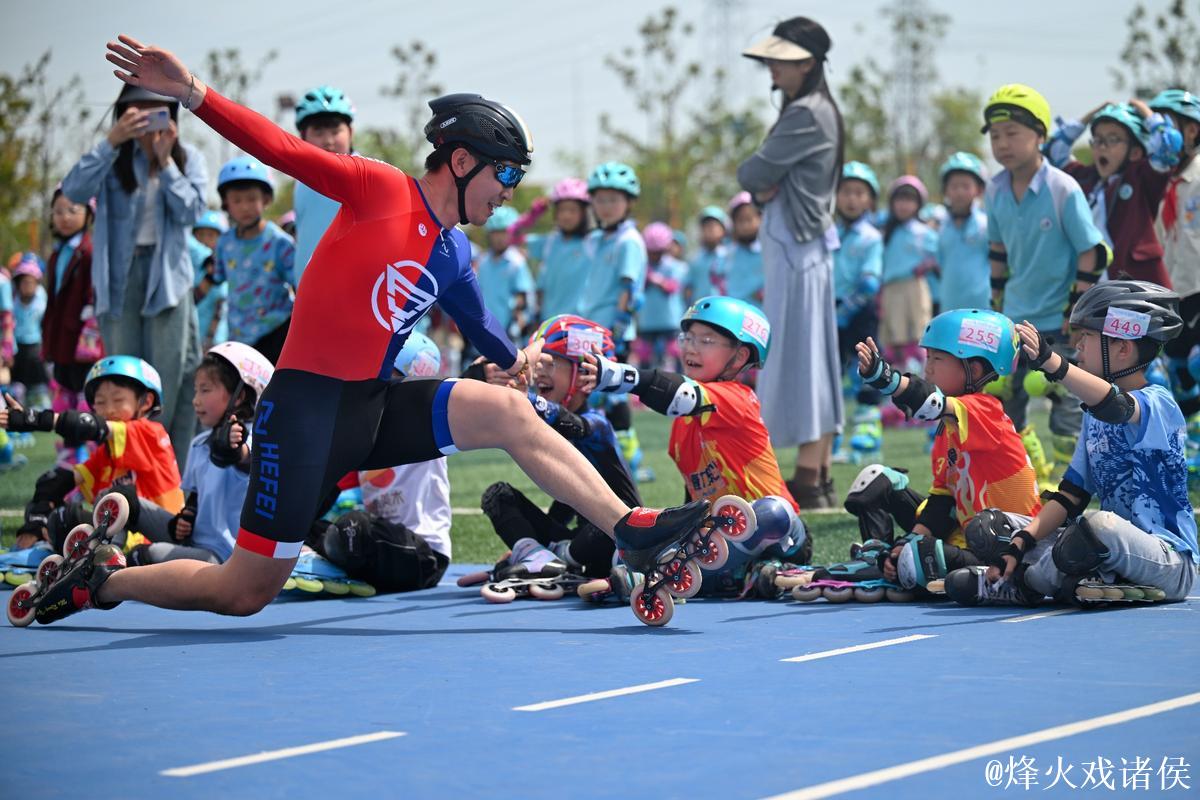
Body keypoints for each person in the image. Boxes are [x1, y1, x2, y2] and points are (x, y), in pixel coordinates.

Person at [16, 34, 712, 627]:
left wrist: (519, 358)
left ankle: (632, 529)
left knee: (504, 407)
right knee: (244, 589)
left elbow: (484, 328)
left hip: (374, 408)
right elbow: (284, 151)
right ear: (462, 160)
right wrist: (195, 92)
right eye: (506, 174)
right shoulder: (379, 188)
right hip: (303, 412)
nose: (509, 193)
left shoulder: (455, 250)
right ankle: (100, 581)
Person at [945, 281, 1198, 606]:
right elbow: (1070, 496)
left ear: (1123, 348)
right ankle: (1056, 573)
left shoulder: (1158, 403)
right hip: (1107, 548)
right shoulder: (1092, 415)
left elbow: (1117, 406)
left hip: (1168, 560)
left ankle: (1025, 584)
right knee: (991, 526)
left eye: (1087, 337)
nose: (1077, 347)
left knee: (1096, 526)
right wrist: (1022, 540)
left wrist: (1053, 363)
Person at [588, 296, 811, 586]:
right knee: (630, 544)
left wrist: (615, 375)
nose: (691, 347)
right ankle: (733, 577)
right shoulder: (682, 427)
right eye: (688, 337)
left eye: (706, 340)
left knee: (772, 512)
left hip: (780, 534)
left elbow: (680, 394)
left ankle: (668, 579)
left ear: (741, 356)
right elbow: (695, 503)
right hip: (717, 543)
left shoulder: (738, 398)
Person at [61, 81, 206, 470]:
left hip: (169, 282)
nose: (145, 117)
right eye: (135, 109)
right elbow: (72, 192)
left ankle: (167, 473)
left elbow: (194, 213)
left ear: (172, 116)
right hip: (117, 280)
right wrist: (111, 141)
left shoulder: (187, 158)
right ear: (121, 113)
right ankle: (126, 469)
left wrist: (166, 162)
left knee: (171, 381)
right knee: (121, 377)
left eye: (155, 109)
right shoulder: (111, 160)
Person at [849, 308, 1043, 592]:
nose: (927, 369)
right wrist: (907, 542)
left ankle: (914, 564)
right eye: (927, 358)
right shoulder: (947, 430)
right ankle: (880, 554)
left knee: (921, 558)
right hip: (964, 533)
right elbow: (942, 504)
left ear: (974, 370)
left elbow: (928, 402)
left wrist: (884, 376)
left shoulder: (986, 411)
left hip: (1007, 545)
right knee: (876, 481)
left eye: (937, 359)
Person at [737, 15, 844, 509]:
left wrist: (761, 179)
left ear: (805, 63)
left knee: (799, 356)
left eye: (780, 62)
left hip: (794, 242)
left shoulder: (805, 112)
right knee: (813, 357)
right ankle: (814, 471)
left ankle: (808, 473)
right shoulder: (817, 108)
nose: (772, 71)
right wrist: (762, 180)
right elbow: (758, 177)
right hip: (806, 242)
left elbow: (752, 171)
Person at [984, 83, 1107, 472]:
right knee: (1009, 402)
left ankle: (1068, 486)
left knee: (1066, 406)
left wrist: (1077, 312)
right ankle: (1024, 476)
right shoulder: (995, 189)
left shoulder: (1062, 188)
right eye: (996, 136)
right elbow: (998, 252)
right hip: (1016, 319)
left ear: (1040, 136)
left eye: (1013, 134)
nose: (1003, 144)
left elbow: (1093, 251)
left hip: (1061, 319)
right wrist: (997, 310)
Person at [477, 315, 636, 578]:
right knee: (498, 495)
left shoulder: (598, 424)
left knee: (606, 525)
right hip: (579, 542)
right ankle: (537, 556)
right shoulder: (552, 425)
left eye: (549, 364)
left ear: (584, 375)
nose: (538, 372)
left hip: (615, 537)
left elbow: (573, 424)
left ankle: (562, 557)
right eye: (537, 364)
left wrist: (523, 399)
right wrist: (532, 539)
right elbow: (566, 501)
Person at [3, 354, 185, 551]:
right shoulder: (106, 452)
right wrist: (37, 521)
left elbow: (89, 426)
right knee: (52, 482)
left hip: (157, 541)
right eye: (100, 402)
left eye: (117, 400)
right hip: (125, 538)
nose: (108, 409)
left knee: (67, 519)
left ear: (146, 402)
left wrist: (35, 419)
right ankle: (26, 549)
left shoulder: (150, 433)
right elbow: (61, 481)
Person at [122, 341, 273, 566]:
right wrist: (186, 517)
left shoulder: (255, 441)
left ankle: (110, 569)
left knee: (147, 555)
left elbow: (247, 460)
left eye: (205, 390)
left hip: (223, 557)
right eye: (196, 390)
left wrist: (232, 450)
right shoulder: (199, 443)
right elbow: (195, 498)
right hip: (193, 543)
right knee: (121, 500)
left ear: (239, 397)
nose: (195, 400)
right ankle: (99, 556)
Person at [1045, 101, 1181, 287]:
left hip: (1138, 290)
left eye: (1113, 139)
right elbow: (1052, 151)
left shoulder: (1141, 177)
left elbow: (1169, 146)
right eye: (1098, 140)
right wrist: (1092, 114)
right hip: (1092, 288)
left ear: (1134, 152)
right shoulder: (1084, 177)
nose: (1102, 147)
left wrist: (1143, 110)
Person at [580, 160, 651, 482]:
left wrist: (619, 332)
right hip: (592, 332)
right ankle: (606, 458)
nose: (606, 206)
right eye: (601, 199)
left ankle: (629, 463)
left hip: (613, 333)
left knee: (613, 395)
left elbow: (629, 289)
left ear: (628, 202)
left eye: (614, 199)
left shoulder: (628, 241)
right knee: (597, 396)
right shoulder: (599, 240)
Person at [212, 156, 296, 364]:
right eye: (237, 201)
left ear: (266, 199)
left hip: (276, 331)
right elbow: (215, 279)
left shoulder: (279, 242)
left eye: (251, 199)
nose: (245, 207)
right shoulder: (224, 243)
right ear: (226, 203)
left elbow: (300, 285)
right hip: (239, 336)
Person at [43, 187, 103, 467]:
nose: (64, 217)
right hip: (62, 345)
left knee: (85, 408)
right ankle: (67, 468)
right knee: (63, 405)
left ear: (88, 214)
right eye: (58, 211)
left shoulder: (89, 251)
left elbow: (93, 298)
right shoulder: (57, 255)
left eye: (72, 210)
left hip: (83, 348)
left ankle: (90, 468)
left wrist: (89, 341)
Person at [1150, 91, 1200, 422]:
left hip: (1198, 287)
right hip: (1164, 293)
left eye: (1167, 126)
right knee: (1174, 376)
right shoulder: (1153, 181)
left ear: (1192, 130)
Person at [833, 161, 884, 463]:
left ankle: (867, 436)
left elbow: (870, 282)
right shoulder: (830, 234)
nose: (851, 199)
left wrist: (847, 309)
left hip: (860, 311)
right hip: (830, 311)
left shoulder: (870, 237)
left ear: (869, 199)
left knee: (866, 370)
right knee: (832, 374)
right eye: (845, 192)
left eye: (859, 193)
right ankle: (834, 437)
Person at [291, 85, 355, 286]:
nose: (328, 141)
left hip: (355, 294)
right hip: (308, 297)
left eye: (336, 130)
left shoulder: (366, 176)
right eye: (318, 131)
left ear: (350, 132)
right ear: (303, 135)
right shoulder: (300, 181)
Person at [879, 176, 939, 389]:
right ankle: (897, 387)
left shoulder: (923, 232)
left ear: (918, 204)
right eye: (900, 199)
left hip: (914, 288)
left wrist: (926, 265)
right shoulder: (887, 231)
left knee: (918, 335)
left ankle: (922, 388)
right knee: (894, 338)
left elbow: (938, 255)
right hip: (890, 290)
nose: (904, 205)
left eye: (910, 200)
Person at [521, 178, 592, 322]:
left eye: (573, 210)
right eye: (562, 210)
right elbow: (511, 238)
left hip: (581, 325)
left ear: (584, 213)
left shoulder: (592, 242)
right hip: (550, 323)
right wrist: (532, 215)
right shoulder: (549, 242)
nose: (566, 215)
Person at [936, 152, 991, 313]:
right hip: (949, 307)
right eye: (954, 186)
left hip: (982, 308)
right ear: (946, 191)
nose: (959, 192)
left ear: (978, 190)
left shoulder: (985, 225)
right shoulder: (941, 227)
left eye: (966, 186)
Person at [476, 205, 534, 339]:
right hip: (485, 328)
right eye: (495, 233)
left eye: (503, 232)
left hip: (509, 331)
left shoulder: (516, 261)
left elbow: (523, 295)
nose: (499, 238)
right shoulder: (483, 262)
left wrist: (518, 321)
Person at [638, 222, 688, 371]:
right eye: (651, 252)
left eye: (658, 252)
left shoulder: (676, 266)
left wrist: (656, 280)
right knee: (644, 357)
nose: (654, 255)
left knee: (676, 353)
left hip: (670, 321)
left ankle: (681, 383)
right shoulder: (642, 266)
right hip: (647, 321)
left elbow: (673, 286)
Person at [10, 254, 50, 408]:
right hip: (17, 344)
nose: (27, 286)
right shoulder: (13, 298)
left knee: (36, 375)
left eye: (30, 282)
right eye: (24, 282)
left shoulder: (41, 298)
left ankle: (39, 404)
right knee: (17, 376)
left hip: (35, 344)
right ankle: (17, 401)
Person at [190, 209, 229, 350]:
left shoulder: (219, 271)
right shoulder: (194, 267)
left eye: (211, 235)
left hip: (213, 340)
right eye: (200, 235)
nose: (205, 240)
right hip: (193, 335)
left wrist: (209, 338)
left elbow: (219, 307)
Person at [723, 192, 764, 305]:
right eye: (740, 220)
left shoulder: (768, 253)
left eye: (749, 219)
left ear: (760, 218)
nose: (745, 225)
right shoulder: (726, 255)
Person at [684, 205, 730, 303]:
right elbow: (688, 288)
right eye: (706, 226)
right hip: (701, 312)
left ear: (723, 230)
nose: (710, 229)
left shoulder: (730, 256)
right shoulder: (695, 259)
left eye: (714, 225)